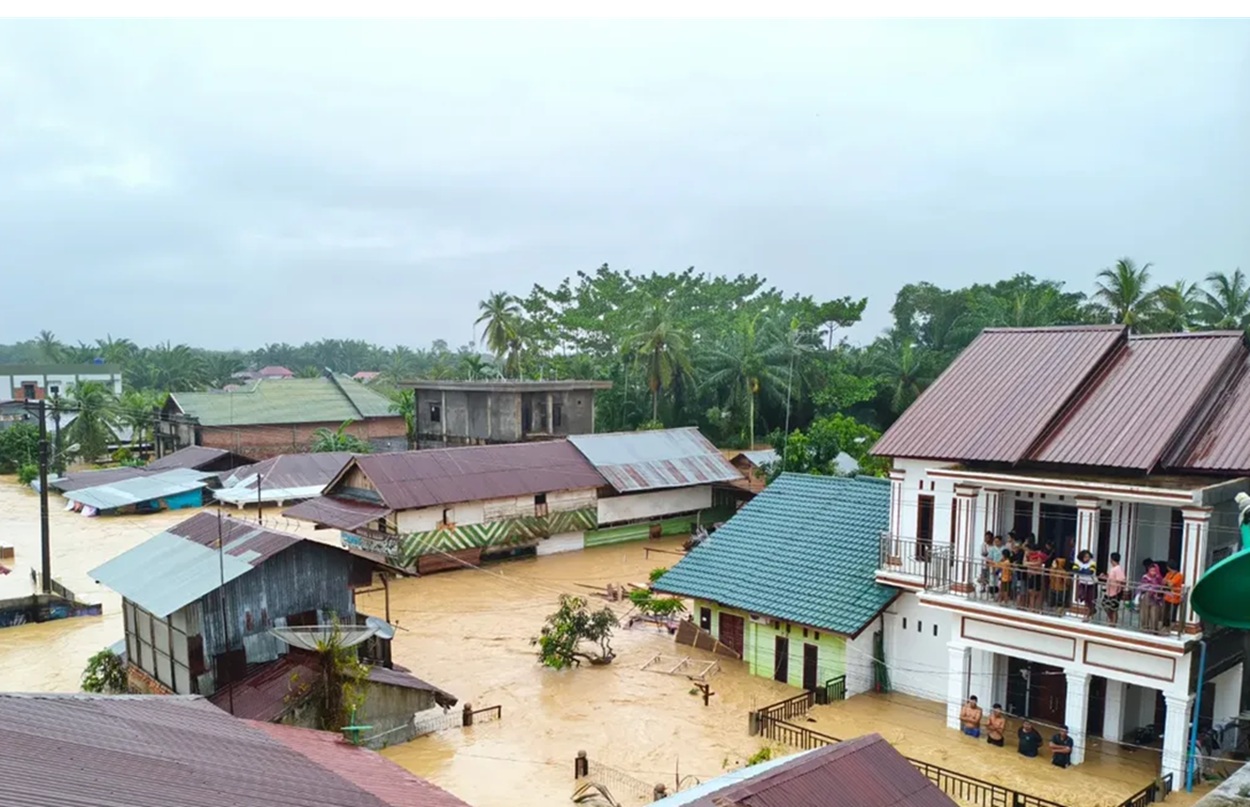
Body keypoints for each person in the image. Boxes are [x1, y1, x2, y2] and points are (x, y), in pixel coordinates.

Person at [1139, 560, 1165, 633]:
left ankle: (1154, 629)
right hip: (1146, 596)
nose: (1153, 572)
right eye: (1151, 570)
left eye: (1154, 570)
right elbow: (1143, 586)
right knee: (1145, 612)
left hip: (1155, 598)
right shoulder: (1145, 577)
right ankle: (1145, 627)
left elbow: (1161, 586)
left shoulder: (1158, 578)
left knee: (1154, 613)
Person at [1102, 552, 1126, 626]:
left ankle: (1113, 622)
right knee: (1105, 605)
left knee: (1113, 608)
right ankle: (1111, 620)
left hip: (1115, 592)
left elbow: (1121, 580)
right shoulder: (1113, 569)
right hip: (1109, 591)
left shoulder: (1118, 569)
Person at [1074, 550, 1098, 621]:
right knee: (1084, 599)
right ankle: (1088, 613)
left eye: (1088, 557)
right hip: (1082, 583)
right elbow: (1075, 570)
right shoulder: (1078, 562)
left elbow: (1090, 572)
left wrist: (1081, 571)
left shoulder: (1092, 563)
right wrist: (1084, 571)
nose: (1087, 558)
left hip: (1091, 584)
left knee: (1090, 600)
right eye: (1085, 557)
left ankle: (1088, 615)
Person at [1161, 560, 1185, 628]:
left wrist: (1168, 581)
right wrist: (1168, 582)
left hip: (1175, 597)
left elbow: (1171, 584)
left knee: (1172, 613)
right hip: (1167, 596)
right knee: (1165, 612)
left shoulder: (1179, 575)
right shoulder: (1168, 574)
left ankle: (1171, 626)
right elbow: (1163, 582)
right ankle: (1165, 625)